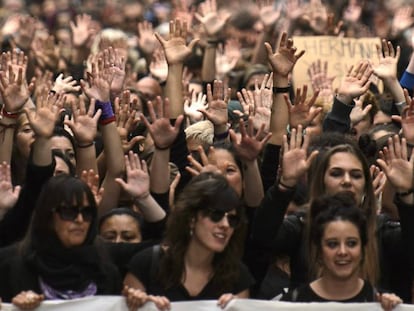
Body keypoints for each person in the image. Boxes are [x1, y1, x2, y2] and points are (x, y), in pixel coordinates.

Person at [252, 129, 414, 302]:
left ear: (365, 185)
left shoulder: (382, 230)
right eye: (336, 173)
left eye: (356, 175)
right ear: (321, 181)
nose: (347, 181)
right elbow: (262, 237)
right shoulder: (303, 224)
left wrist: (407, 194)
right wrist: (286, 184)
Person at [123, 172, 254, 310]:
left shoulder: (237, 276)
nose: (225, 225)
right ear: (191, 219)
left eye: (232, 219)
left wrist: (238, 307)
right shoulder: (147, 264)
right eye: (216, 215)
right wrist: (139, 305)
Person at [0, 174, 122, 308]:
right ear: (48, 217)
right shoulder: (11, 265)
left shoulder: (106, 267)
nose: (80, 220)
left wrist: (135, 302)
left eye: (87, 212)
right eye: (69, 212)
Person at [282, 193, 402, 311]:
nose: (343, 252)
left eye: (351, 243)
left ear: (363, 248)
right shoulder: (293, 303)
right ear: (318, 250)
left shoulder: (381, 302)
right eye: (332, 244)